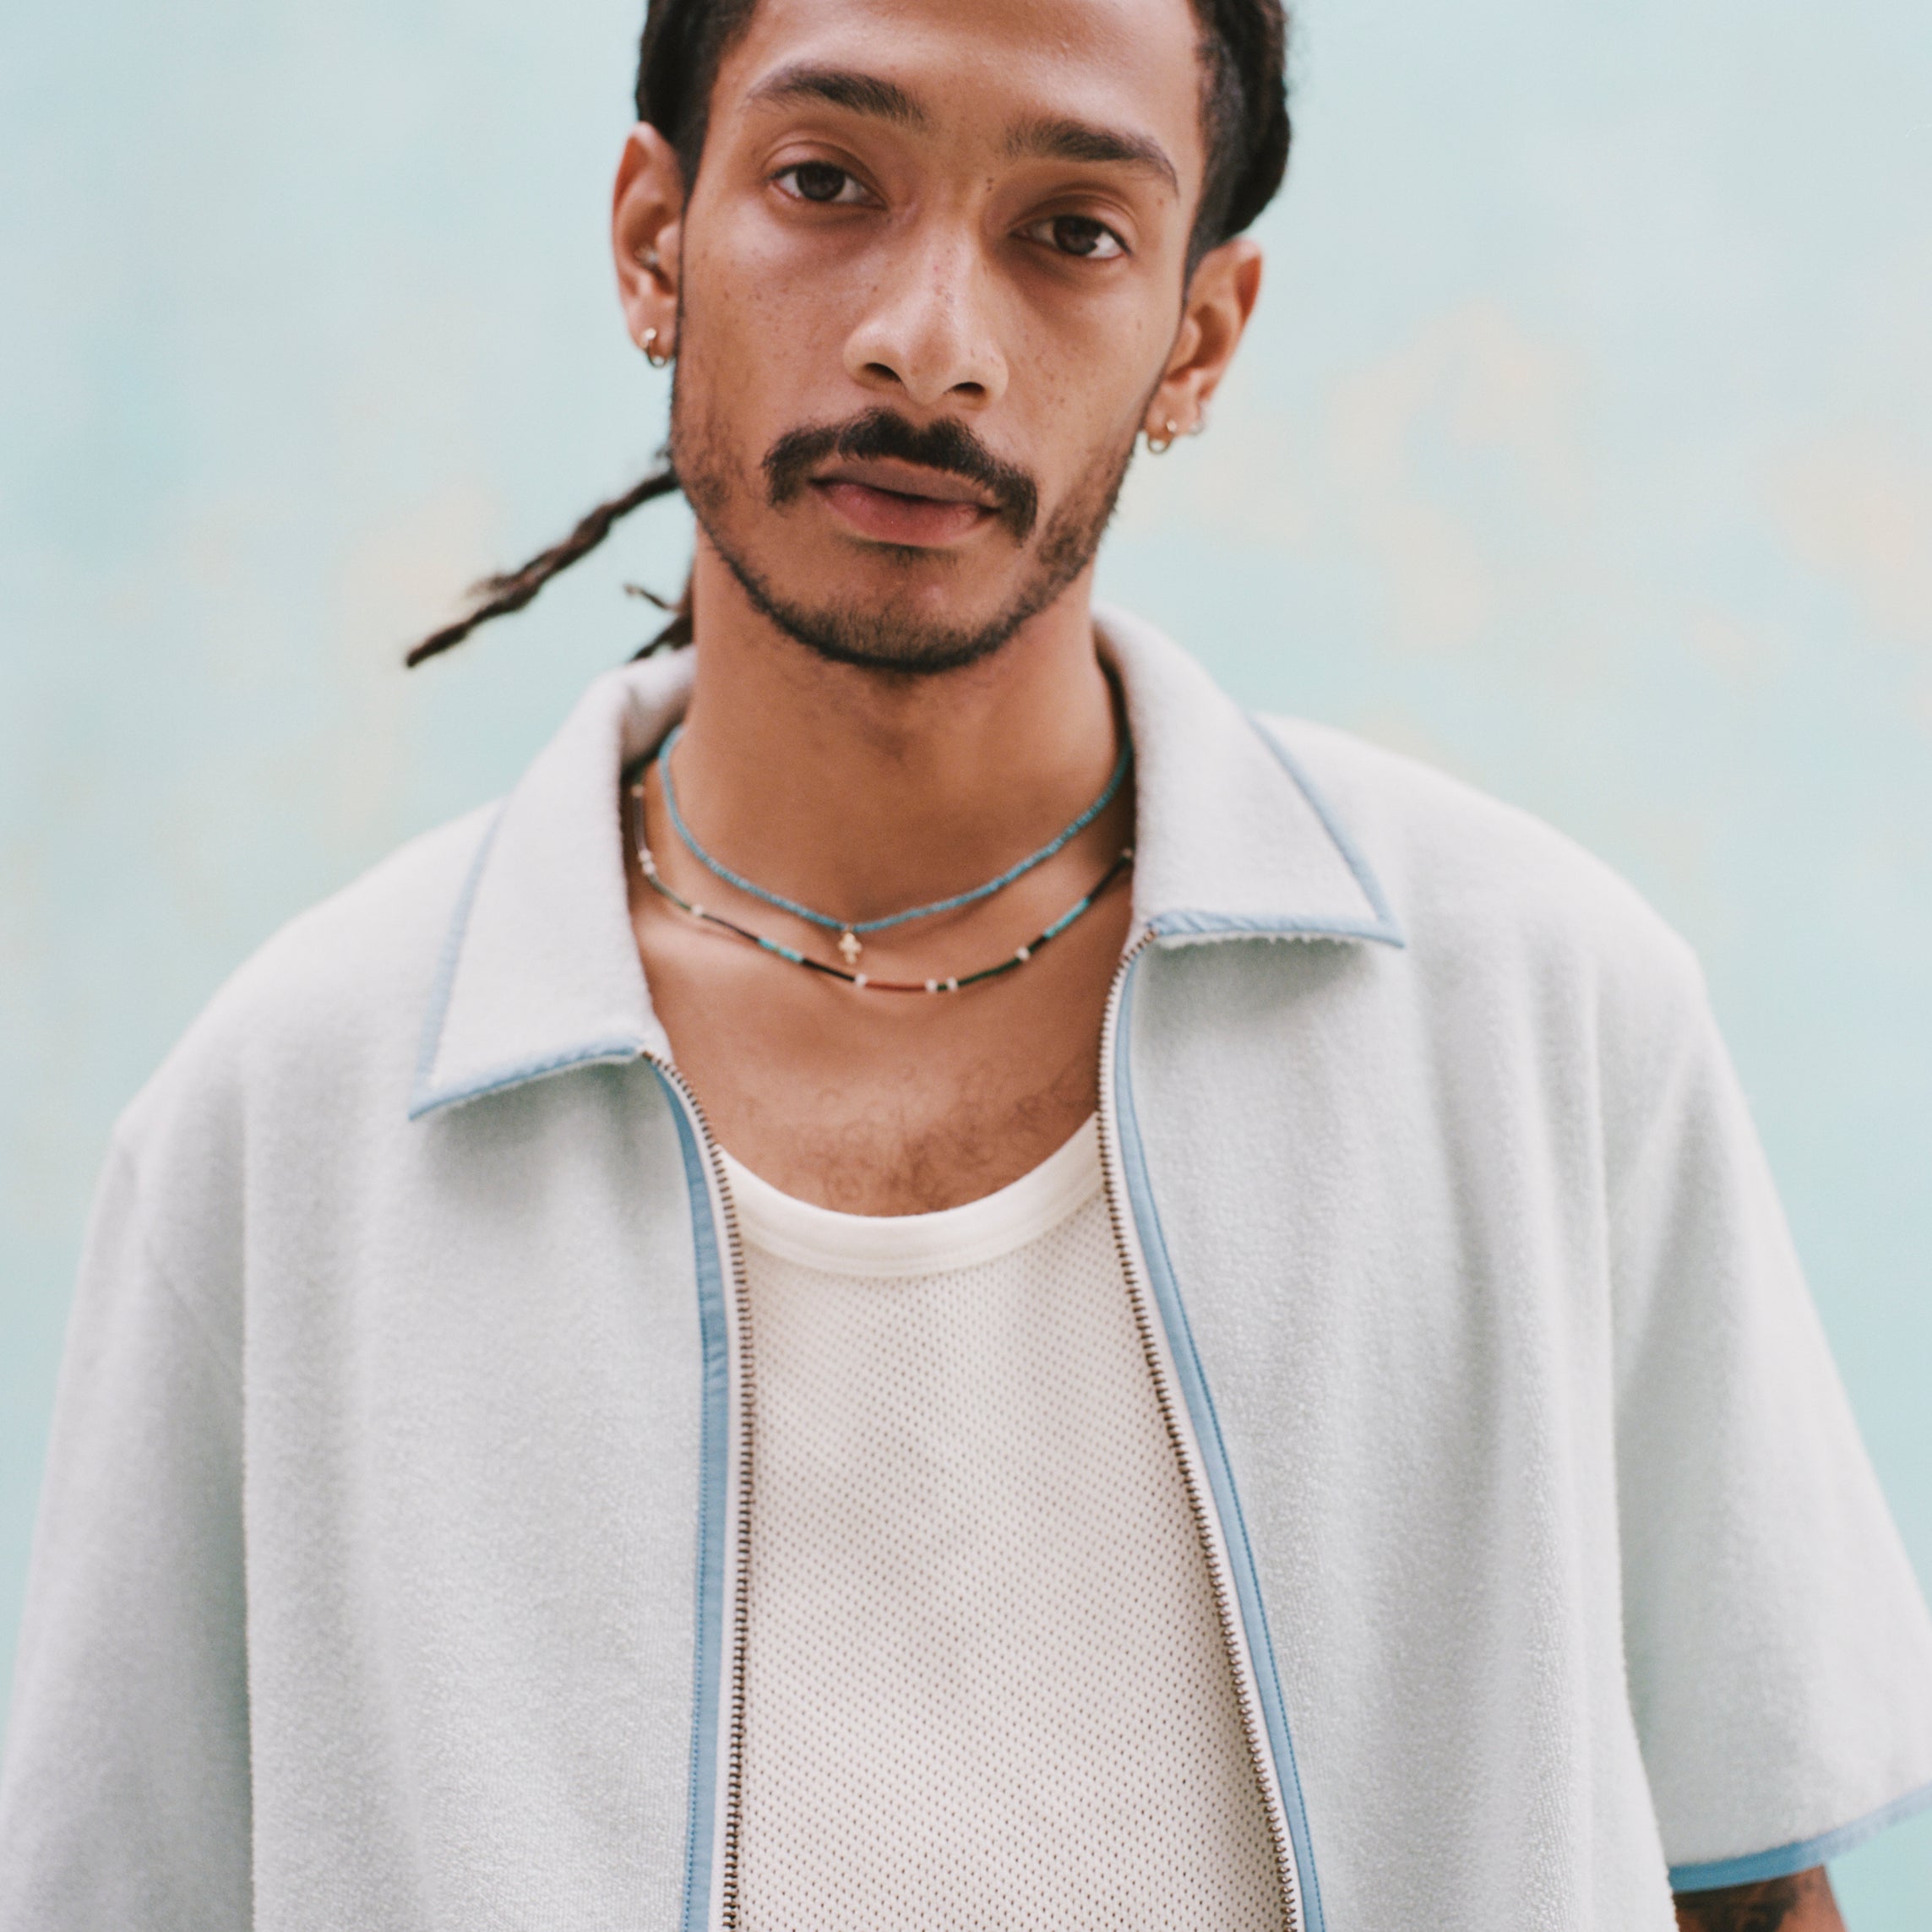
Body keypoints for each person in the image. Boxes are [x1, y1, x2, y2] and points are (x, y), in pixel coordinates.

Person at [4, 0, 1930, 1925]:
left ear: (1199, 334)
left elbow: (1749, 1896)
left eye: (1072, 230)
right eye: (827, 181)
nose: (926, 341)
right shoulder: (279, 1125)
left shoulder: (1543, 1018)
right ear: (652, 239)